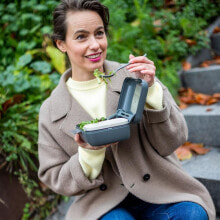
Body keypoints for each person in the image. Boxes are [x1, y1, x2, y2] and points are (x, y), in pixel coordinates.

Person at [37, 0, 216, 219]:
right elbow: (54, 176)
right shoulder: (50, 111)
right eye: (81, 36)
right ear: (61, 44)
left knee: (191, 214)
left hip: (162, 190)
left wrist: (151, 91)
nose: (95, 45)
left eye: (99, 33)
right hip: (102, 203)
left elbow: (175, 140)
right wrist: (89, 152)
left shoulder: (136, 77)